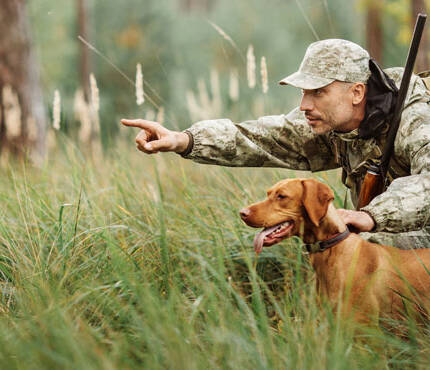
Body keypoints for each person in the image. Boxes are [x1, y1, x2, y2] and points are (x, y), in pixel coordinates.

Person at [122, 39, 430, 249]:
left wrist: (371, 216)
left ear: (357, 93)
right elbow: (259, 137)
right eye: (303, 92)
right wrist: (183, 140)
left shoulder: (415, 117)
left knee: (357, 249)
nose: (305, 104)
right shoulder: (332, 122)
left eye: (317, 92)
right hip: (388, 237)